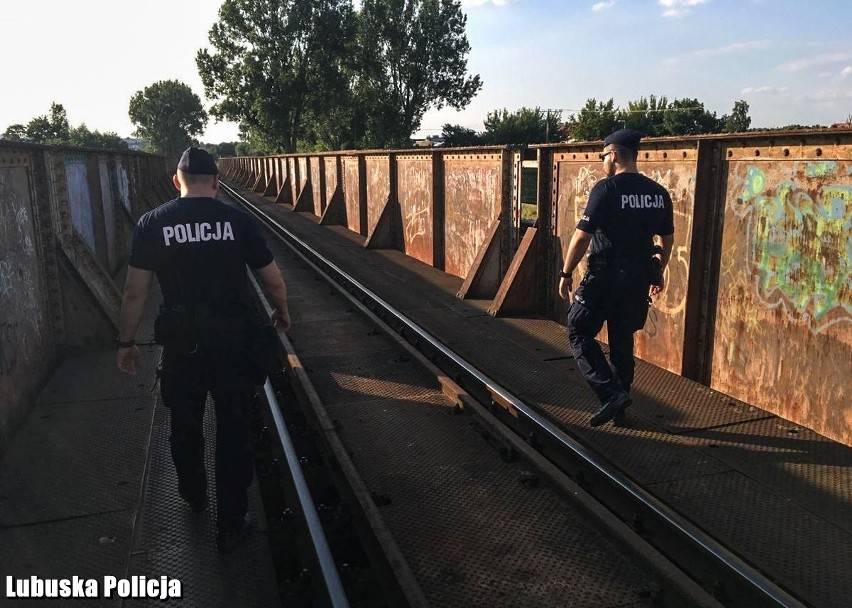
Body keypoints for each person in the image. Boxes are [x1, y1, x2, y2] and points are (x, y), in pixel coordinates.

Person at [116, 147, 291, 552]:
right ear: (215, 182)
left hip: (182, 345)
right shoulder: (238, 221)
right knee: (234, 427)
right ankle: (232, 518)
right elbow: (273, 280)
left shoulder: (152, 224)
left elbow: (134, 292)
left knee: (184, 422)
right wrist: (282, 313)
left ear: (177, 182)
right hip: (233, 342)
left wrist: (126, 342)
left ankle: (193, 494)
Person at [558, 129, 674, 427]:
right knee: (622, 341)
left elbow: (582, 237)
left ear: (613, 155)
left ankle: (610, 395)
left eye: (602, 156)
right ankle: (619, 407)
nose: (602, 162)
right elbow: (668, 238)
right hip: (637, 279)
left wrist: (566, 272)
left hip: (606, 275)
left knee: (578, 329)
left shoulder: (606, 189)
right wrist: (658, 269)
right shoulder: (658, 193)